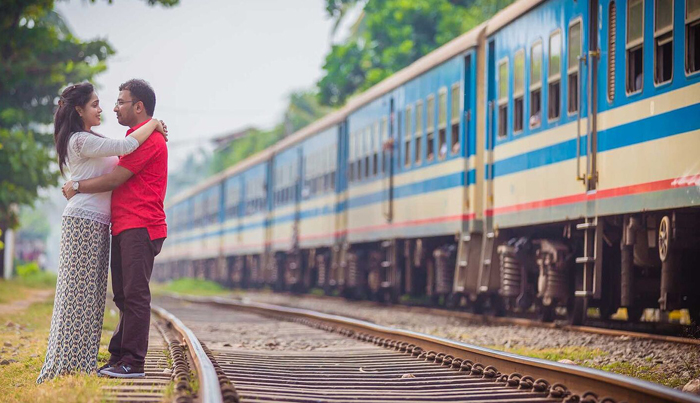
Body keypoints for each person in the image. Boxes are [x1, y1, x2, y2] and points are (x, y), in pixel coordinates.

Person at [37, 82, 167, 384]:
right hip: (121, 224)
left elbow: (116, 177)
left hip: (139, 223)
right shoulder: (123, 137)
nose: (112, 108)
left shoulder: (146, 139)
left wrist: (78, 185)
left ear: (139, 107)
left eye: (120, 102)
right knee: (122, 295)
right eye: (101, 103)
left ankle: (132, 361)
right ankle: (119, 356)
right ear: (79, 110)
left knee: (133, 295)